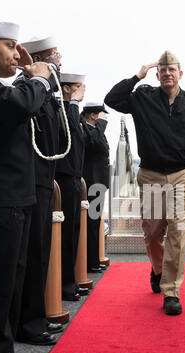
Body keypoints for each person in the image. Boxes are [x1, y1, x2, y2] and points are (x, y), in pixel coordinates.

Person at [105, 51, 185, 315]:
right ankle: (158, 269)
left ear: (180, 73)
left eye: (172, 69)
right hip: (151, 175)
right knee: (153, 233)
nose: (167, 74)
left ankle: (171, 291)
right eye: (162, 70)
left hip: (181, 175)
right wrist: (136, 76)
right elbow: (112, 99)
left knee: (179, 232)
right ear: (157, 74)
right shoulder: (143, 97)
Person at [0, 18, 52, 353]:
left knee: (9, 296)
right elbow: (22, 102)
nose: (17, 53)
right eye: (10, 45)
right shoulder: (3, 94)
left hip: (14, 201)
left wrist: (34, 78)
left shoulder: (3, 88)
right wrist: (42, 77)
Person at [9, 36, 63, 346]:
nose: (59, 63)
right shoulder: (26, 87)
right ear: (40, 59)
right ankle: (28, 324)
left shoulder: (47, 92)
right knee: (30, 255)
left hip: (43, 177)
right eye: (54, 57)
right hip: (31, 178)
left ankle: (34, 316)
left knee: (38, 253)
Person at [55, 73, 87, 301]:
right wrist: (74, 103)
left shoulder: (72, 112)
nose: (82, 91)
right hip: (64, 177)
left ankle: (70, 281)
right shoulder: (62, 111)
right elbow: (70, 134)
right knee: (65, 236)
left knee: (73, 233)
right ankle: (63, 285)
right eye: (77, 87)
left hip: (75, 177)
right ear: (66, 89)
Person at [81, 102, 110, 273]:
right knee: (90, 223)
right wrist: (101, 124)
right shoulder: (87, 130)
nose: (105, 118)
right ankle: (90, 262)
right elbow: (96, 144)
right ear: (93, 115)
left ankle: (92, 259)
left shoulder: (93, 130)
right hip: (92, 182)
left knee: (93, 223)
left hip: (97, 183)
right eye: (102, 115)